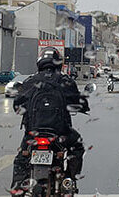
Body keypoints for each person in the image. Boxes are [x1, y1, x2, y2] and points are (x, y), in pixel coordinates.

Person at [11, 47, 90, 190]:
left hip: (33, 133)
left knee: (22, 159)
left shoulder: (30, 81)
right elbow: (80, 103)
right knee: (77, 147)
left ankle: (18, 189)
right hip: (60, 133)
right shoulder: (66, 81)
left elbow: (17, 105)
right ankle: (69, 180)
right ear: (58, 63)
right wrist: (83, 107)